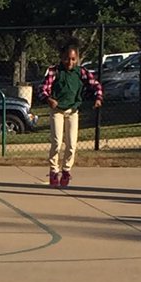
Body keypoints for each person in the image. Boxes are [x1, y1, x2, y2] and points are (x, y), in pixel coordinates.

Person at [38, 43, 103, 188]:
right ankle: (54, 170)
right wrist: (49, 99)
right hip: (57, 111)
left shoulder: (81, 72)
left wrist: (98, 98)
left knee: (71, 144)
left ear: (77, 59)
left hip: (73, 111)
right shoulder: (54, 71)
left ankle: (66, 170)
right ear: (61, 58)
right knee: (56, 142)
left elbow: (95, 85)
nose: (70, 63)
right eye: (67, 59)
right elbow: (43, 88)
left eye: (73, 59)